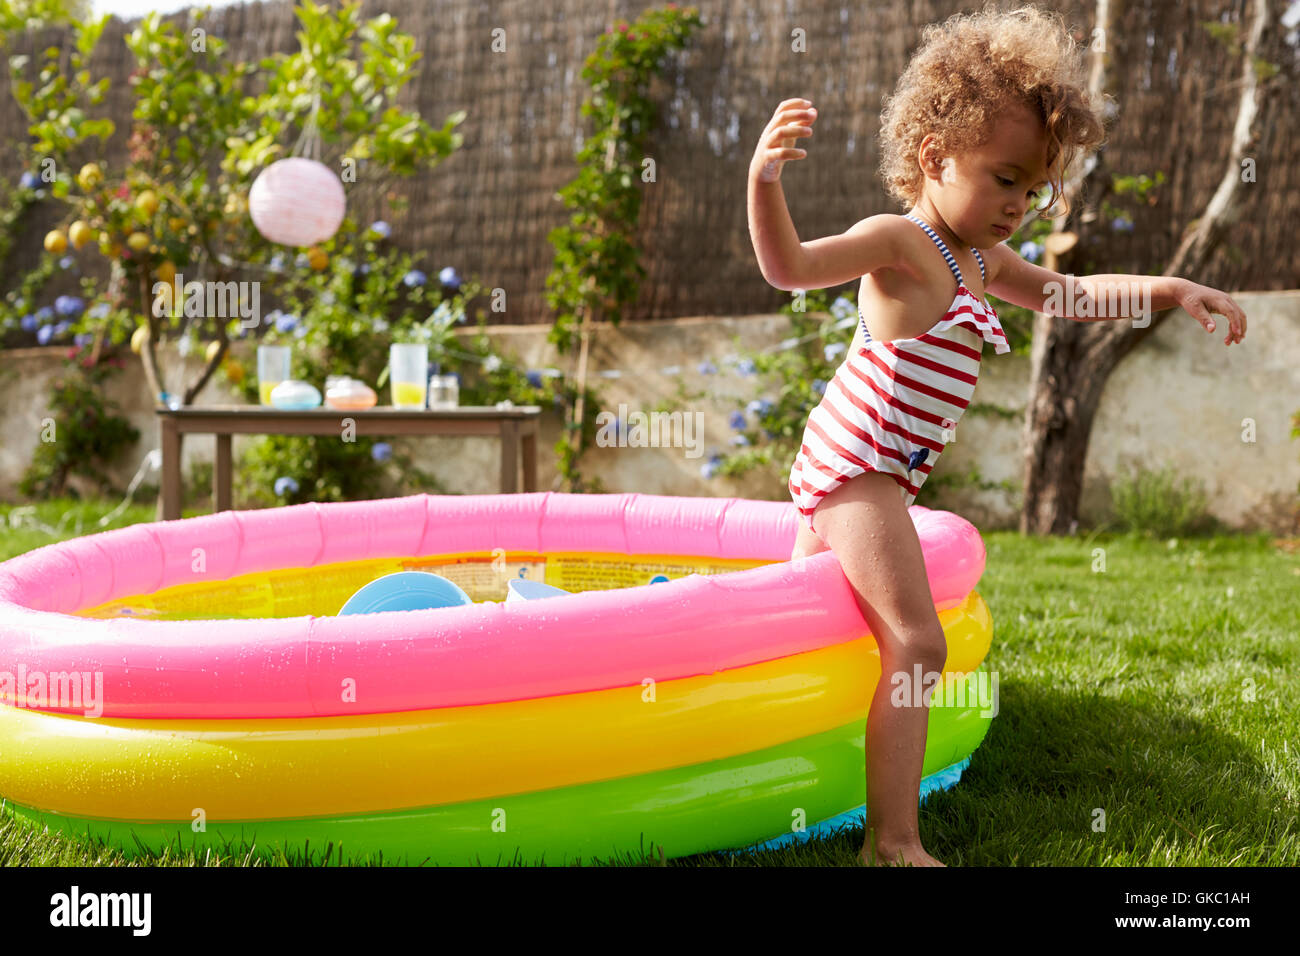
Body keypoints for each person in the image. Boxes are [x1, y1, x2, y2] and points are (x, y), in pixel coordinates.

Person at [746, 3, 1247, 867]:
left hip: (882, 477)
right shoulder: (900, 242)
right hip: (854, 471)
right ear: (934, 157)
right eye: (1004, 178)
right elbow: (790, 269)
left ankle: (783, 777)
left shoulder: (980, 260)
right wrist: (764, 183)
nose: (1020, 204)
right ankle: (893, 844)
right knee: (917, 641)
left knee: (802, 630)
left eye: (1035, 187)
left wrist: (1170, 289)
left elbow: (1071, 296)